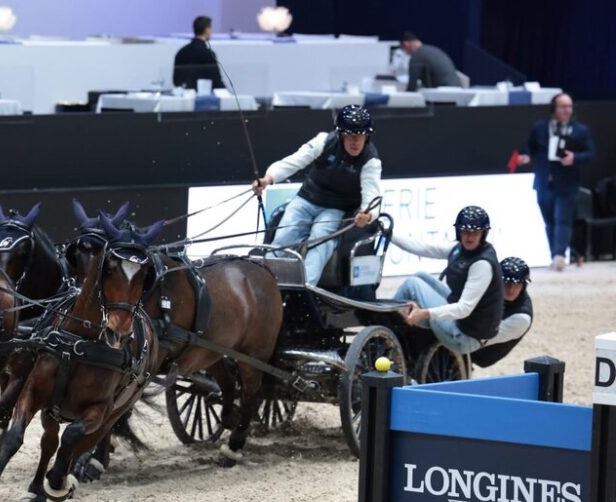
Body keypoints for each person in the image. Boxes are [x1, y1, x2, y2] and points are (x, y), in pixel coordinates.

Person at [252, 105, 381, 286]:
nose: (356, 141)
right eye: (351, 135)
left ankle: (305, 289)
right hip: (307, 199)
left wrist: (367, 215)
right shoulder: (323, 141)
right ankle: (266, 283)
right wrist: (268, 178)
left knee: (321, 240)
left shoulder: (370, 161)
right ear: (341, 134)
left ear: (367, 136)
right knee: (285, 235)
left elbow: (372, 195)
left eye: (360, 135)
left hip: (336, 209)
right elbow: (295, 160)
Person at [392, 206, 504, 355]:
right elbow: (424, 248)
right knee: (420, 276)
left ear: (483, 233)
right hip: (464, 324)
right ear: (458, 232)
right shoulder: (459, 248)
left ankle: (388, 325)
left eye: (475, 233)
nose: (469, 237)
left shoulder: (482, 264)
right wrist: (389, 235)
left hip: (465, 336)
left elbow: (464, 309)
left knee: (413, 284)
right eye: (465, 232)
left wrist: (425, 313)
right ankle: (401, 324)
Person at [516, 92, 597, 270]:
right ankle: (554, 254)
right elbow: (528, 146)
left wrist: (575, 157)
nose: (567, 110)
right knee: (549, 221)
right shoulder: (540, 128)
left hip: (567, 182)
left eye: (570, 106)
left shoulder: (580, 130)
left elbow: (591, 153)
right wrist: (526, 156)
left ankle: (560, 255)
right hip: (544, 181)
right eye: (563, 106)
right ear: (553, 108)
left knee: (563, 219)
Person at [469, 257, 533, 367]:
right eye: (506, 283)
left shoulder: (521, 318)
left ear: (524, 286)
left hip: (478, 351)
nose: (511, 289)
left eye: (517, 284)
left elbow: (482, 338)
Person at [173, 16, 225, 91]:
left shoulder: (181, 52)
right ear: (207, 30)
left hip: (185, 96)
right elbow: (217, 82)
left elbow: (176, 81)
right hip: (206, 99)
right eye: (210, 29)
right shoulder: (208, 54)